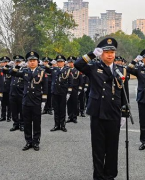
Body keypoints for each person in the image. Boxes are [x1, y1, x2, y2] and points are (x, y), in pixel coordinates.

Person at [74, 37, 128, 180]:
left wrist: (124, 113)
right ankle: (98, 176)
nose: (110, 54)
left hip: (114, 113)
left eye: (112, 52)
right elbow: (77, 64)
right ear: (101, 53)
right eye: (106, 52)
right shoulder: (93, 67)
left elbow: (125, 94)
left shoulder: (121, 70)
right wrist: (92, 54)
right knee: (98, 148)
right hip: (97, 112)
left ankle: (110, 175)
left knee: (112, 148)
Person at [10, 51, 48, 151]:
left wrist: (43, 102)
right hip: (26, 101)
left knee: (36, 123)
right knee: (27, 123)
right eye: (30, 60)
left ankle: (36, 142)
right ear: (27, 62)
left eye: (34, 60)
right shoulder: (25, 71)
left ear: (37, 61)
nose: (32, 62)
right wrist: (17, 66)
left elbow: (45, 88)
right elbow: (12, 73)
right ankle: (28, 142)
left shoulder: (42, 72)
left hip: (36, 101)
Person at [45, 55, 73, 132]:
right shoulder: (54, 69)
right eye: (58, 62)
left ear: (64, 62)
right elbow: (45, 68)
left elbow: (71, 82)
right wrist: (50, 63)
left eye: (61, 62)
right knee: (56, 109)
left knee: (62, 109)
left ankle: (63, 125)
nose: (60, 63)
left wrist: (69, 93)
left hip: (63, 92)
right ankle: (56, 125)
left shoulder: (68, 70)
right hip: (55, 92)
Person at [66, 56, 83, 124]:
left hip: (75, 89)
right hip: (68, 89)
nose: (71, 64)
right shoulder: (66, 70)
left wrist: (80, 89)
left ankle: (74, 117)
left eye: (72, 62)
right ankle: (70, 116)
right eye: (70, 62)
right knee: (69, 103)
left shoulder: (77, 71)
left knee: (75, 103)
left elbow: (81, 80)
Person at [0, 56, 12, 122]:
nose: (4, 63)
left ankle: (9, 116)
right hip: (2, 89)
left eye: (6, 62)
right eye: (3, 62)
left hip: (9, 89)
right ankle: (3, 116)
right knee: (2, 103)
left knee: (9, 103)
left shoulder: (11, 69)